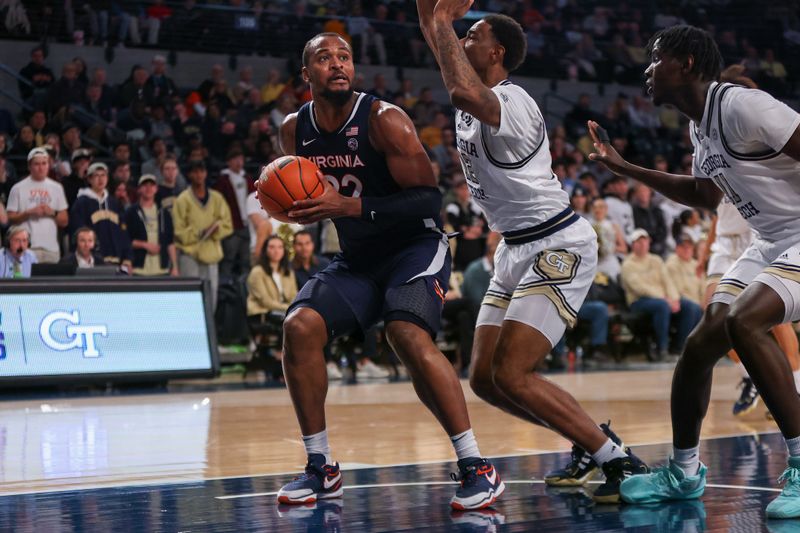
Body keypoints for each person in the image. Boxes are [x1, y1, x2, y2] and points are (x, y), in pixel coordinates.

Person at [418, 1, 647, 503]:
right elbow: (444, 52)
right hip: (515, 248)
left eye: (470, 35)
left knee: (513, 373)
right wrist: (429, 11)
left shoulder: (511, 100)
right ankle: (587, 442)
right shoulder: (473, 95)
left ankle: (618, 460)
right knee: (483, 378)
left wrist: (439, 21)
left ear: (496, 52)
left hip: (557, 242)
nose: (460, 40)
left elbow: (456, 80)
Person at [274, 32, 503, 510]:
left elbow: (428, 200)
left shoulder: (384, 120)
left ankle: (476, 465)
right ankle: (321, 467)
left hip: (414, 248)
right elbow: (306, 194)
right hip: (358, 259)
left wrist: (349, 206)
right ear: (306, 74)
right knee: (298, 327)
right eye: (324, 58)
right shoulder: (294, 130)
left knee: (406, 333)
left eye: (345, 57)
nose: (337, 65)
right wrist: (292, 207)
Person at [587, 24, 800, 518]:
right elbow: (705, 196)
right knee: (702, 341)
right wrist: (626, 169)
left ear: (685, 63)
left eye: (656, 57)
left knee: (743, 322)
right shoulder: (698, 124)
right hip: (770, 242)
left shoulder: (745, 106)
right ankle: (683, 472)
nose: (647, 68)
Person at [703, 200, 800, 417]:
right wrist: (704, 253)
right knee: (713, 320)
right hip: (723, 245)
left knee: (777, 321)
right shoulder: (710, 167)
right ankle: (749, 376)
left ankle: (797, 385)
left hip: (755, 241)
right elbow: (717, 213)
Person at [621, 228, 702, 359]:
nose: (642, 244)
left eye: (644, 241)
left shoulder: (656, 260)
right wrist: (665, 299)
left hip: (663, 299)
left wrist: (674, 299)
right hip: (638, 301)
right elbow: (639, 288)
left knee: (692, 307)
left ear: (649, 242)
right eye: (638, 242)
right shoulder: (628, 264)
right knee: (662, 306)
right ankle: (661, 349)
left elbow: (667, 282)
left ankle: (679, 347)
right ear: (632, 244)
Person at [173, 160, 233, 311]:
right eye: (195, 171)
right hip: (189, 255)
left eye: (201, 171)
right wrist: (201, 232)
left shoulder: (217, 198)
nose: (198, 175)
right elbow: (178, 231)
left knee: (211, 297)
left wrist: (215, 231)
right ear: (189, 174)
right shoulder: (182, 199)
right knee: (189, 298)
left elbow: (228, 225)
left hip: (211, 255)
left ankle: (209, 333)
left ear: (206, 173)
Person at [6, 148, 69, 263]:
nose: (41, 168)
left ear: (49, 165)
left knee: (51, 281)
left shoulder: (57, 188)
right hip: (26, 248)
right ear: (29, 166)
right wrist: (28, 213)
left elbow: (64, 221)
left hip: (51, 248)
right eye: (37, 164)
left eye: (44, 163)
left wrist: (52, 212)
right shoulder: (17, 188)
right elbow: (9, 219)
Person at [70, 162, 132, 270]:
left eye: (103, 175)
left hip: (116, 261)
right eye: (96, 176)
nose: (100, 179)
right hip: (93, 262)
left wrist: (127, 258)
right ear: (89, 179)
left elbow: (124, 234)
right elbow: (77, 233)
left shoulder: (114, 203)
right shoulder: (81, 203)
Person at [125, 174, 178, 276]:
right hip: (138, 269)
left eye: (151, 185)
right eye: (145, 185)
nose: (148, 188)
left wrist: (175, 267)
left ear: (156, 189)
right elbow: (125, 240)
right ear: (139, 189)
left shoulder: (164, 213)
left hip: (162, 270)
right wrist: (145, 245)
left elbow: (170, 242)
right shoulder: (131, 212)